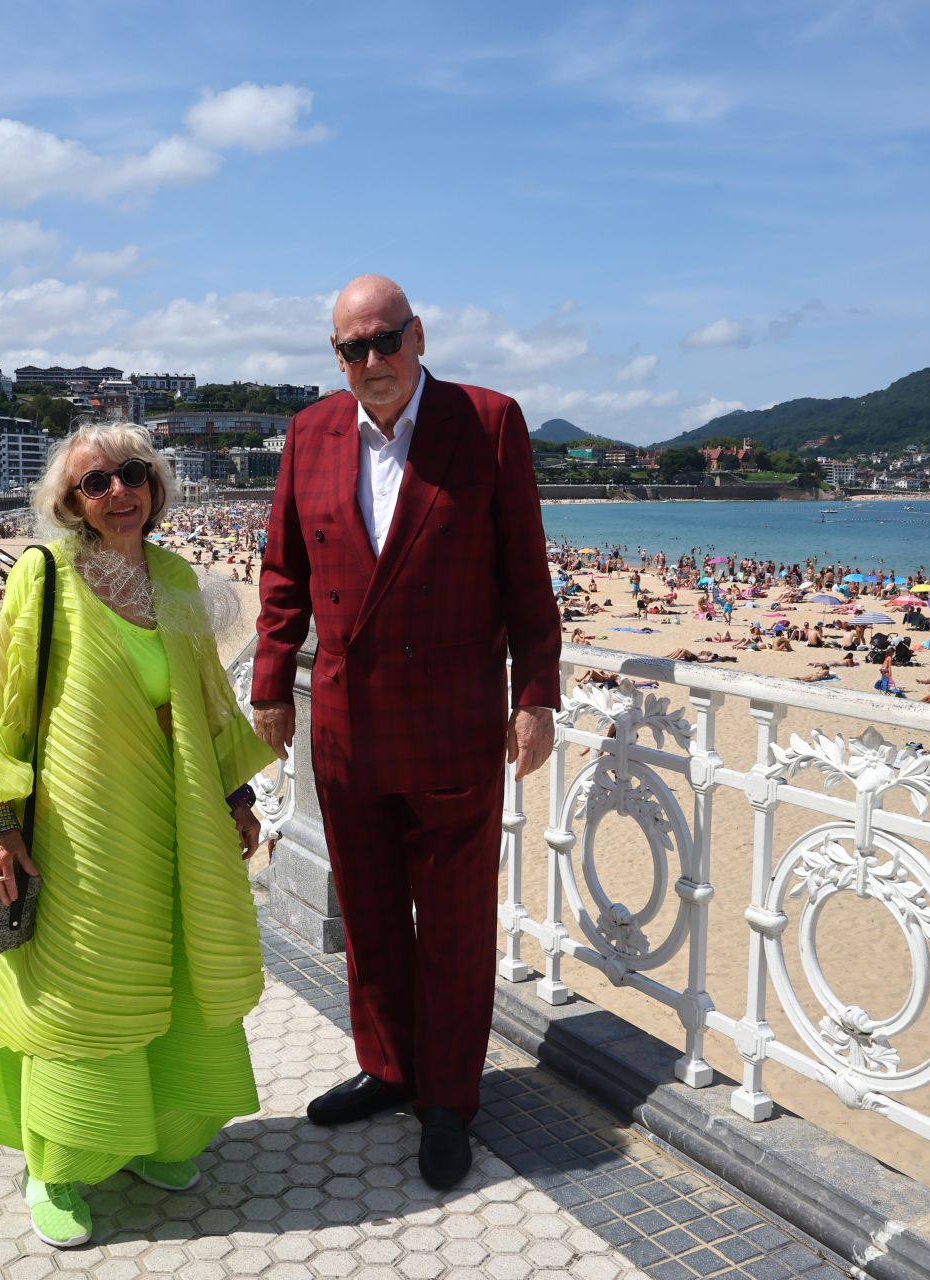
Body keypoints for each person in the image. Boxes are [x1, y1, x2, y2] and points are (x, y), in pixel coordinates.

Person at [252, 275, 560, 1191]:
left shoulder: (489, 421)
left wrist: (535, 693)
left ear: (418, 336)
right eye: (354, 348)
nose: (373, 361)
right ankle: (388, 1066)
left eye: (387, 341)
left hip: (457, 718)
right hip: (346, 717)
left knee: (458, 922)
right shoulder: (310, 433)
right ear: (336, 357)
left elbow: (525, 574)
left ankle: (450, 1100)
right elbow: (282, 574)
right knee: (373, 910)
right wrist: (272, 686)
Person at [0, 424, 273, 1248]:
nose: (117, 493)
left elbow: (207, 700)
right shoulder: (46, 574)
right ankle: (55, 1166)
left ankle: (154, 1138)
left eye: (132, 475)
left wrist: (238, 795)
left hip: (176, 824)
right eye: (95, 483)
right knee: (83, 985)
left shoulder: (172, 575)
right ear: (70, 502)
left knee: (173, 965)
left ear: (155, 485)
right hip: (75, 831)